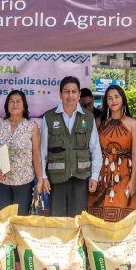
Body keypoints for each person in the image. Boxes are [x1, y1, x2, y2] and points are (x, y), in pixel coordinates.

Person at [41, 76, 102, 218]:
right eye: (67, 91)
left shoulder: (88, 117)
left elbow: (95, 150)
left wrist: (94, 177)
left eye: (74, 91)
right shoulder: (49, 117)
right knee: (58, 221)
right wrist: (43, 177)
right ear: (60, 95)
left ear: (79, 94)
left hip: (81, 179)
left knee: (78, 221)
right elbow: (42, 151)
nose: (70, 95)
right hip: (56, 180)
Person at [0, 90, 47, 217]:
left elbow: (36, 155)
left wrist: (40, 179)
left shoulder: (31, 126)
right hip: (1, 180)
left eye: (18, 101)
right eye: (11, 101)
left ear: (24, 105)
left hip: (24, 182)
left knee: (20, 220)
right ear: (7, 105)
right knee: (3, 219)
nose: (15, 104)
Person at [88, 85, 136, 222]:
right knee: (99, 213)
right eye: (109, 98)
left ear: (123, 99)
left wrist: (133, 180)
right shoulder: (101, 122)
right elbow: (95, 150)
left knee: (122, 214)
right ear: (106, 102)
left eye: (116, 97)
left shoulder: (132, 124)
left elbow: (135, 154)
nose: (113, 101)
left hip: (124, 174)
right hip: (101, 173)